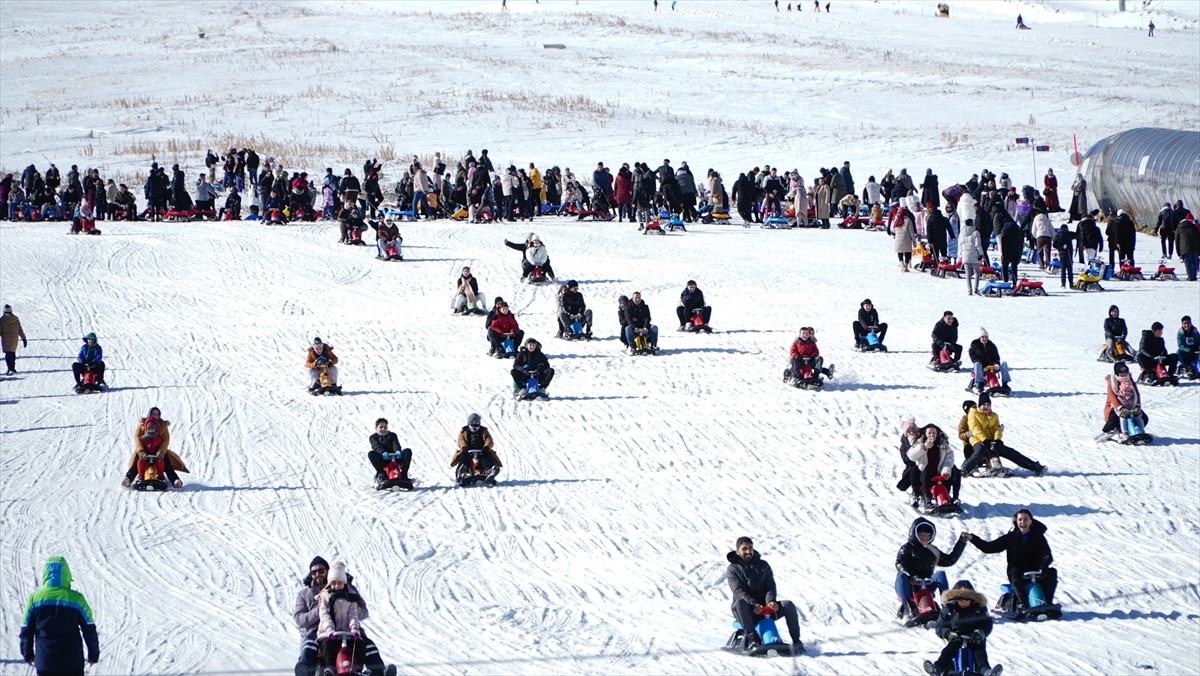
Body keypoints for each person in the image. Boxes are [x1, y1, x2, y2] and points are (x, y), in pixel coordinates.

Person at [294, 557, 387, 675]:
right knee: (310, 643)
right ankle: (306, 669)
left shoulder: (349, 590)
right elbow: (299, 620)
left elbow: (364, 612)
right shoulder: (304, 594)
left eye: (321, 571)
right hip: (319, 629)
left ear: (328, 571)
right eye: (314, 572)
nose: (318, 574)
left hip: (347, 626)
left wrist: (355, 610)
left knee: (366, 643)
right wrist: (320, 608)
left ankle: (378, 671)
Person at [19, 556, 100, 673]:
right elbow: (89, 628)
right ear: (67, 575)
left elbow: (26, 629)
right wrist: (93, 654)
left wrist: (27, 653)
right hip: (72, 662)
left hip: (45, 661)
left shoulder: (34, 599)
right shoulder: (77, 599)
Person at [965, 509, 1057, 611]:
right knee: (1015, 571)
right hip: (1018, 574)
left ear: (1031, 521)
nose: (1023, 522)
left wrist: (1043, 566)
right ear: (1016, 521)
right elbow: (989, 547)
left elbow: (1047, 555)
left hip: (1037, 572)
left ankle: (1048, 603)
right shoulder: (1011, 537)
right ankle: (1023, 604)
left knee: (1052, 572)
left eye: (1026, 519)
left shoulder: (1038, 536)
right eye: (1020, 519)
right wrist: (972, 538)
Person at [725, 536, 804, 654]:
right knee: (740, 603)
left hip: (765, 608)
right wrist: (754, 605)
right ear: (737, 551)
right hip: (746, 610)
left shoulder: (763, 565)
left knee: (788, 605)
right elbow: (738, 591)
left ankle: (797, 641)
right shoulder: (733, 569)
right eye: (744, 549)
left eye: (750, 548)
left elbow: (770, 586)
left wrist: (770, 602)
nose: (748, 551)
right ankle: (753, 640)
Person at [923, 580, 1001, 676]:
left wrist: (980, 633)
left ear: (972, 599)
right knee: (949, 650)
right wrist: (947, 633)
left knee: (979, 651)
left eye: (967, 600)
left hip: (974, 637)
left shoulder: (979, 608)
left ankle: (986, 671)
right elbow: (940, 625)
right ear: (956, 599)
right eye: (961, 600)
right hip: (956, 637)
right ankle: (938, 668)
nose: (964, 602)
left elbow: (987, 623)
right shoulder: (949, 608)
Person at [895, 518, 967, 617]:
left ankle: (947, 605)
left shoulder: (933, 550)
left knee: (940, 574)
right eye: (922, 534)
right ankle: (909, 607)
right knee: (901, 576)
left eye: (928, 535)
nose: (925, 537)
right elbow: (900, 563)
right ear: (915, 533)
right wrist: (911, 576)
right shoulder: (908, 547)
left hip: (927, 582)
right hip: (910, 583)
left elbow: (949, 560)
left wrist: (961, 542)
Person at [961, 393, 1046, 477]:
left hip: (991, 441)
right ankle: (965, 470)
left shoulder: (994, 415)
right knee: (980, 450)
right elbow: (975, 428)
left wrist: (997, 440)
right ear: (979, 405)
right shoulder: (973, 413)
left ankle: (1034, 466)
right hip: (978, 440)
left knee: (1010, 452)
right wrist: (984, 440)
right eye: (983, 405)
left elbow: (997, 429)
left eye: (988, 405)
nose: (986, 407)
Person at [122, 406, 186, 488]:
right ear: (149, 414)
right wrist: (141, 451)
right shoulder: (142, 424)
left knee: (166, 463)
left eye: (157, 414)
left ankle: (175, 480)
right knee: (137, 462)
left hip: (158, 450)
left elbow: (166, 440)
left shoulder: (162, 426)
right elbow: (137, 437)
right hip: (144, 450)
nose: (155, 415)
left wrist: (161, 452)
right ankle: (128, 479)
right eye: (153, 413)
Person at [906, 424, 961, 509]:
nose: (932, 435)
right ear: (925, 433)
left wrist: (945, 472)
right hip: (925, 474)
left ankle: (955, 498)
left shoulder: (943, 444)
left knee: (956, 471)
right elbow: (911, 456)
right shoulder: (919, 442)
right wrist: (924, 447)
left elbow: (949, 459)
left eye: (934, 433)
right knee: (918, 470)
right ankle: (926, 498)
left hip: (941, 472)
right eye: (929, 433)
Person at [1099, 362, 1149, 441]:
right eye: (1121, 372)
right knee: (1114, 419)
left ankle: (1135, 430)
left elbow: (1136, 393)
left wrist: (1137, 406)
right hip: (1114, 406)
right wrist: (1120, 408)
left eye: (1125, 371)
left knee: (1143, 418)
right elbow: (1112, 396)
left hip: (1130, 404)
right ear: (1116, 372)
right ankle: (1109, 431)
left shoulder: (1129, 379)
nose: (1123, 373)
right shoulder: (1111, 381)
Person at [453, 413, 502, 486]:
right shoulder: (464, 431)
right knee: (463, 457)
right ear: (469, 422)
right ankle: (461, 470)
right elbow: (461, 440)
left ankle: (489, 470)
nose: (474, 424)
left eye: (476, 423)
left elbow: (489, 439)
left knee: (486, 458)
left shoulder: (484, 430)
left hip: (481, 450)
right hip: (468, 450)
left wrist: (486, 447)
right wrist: (464, 447)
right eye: (472, 423)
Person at [368, 418, 412, 489]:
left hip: (395, 458)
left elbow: (395, 444)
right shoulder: (373, 437)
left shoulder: (392, 435)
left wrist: (397, 451)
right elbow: (376, 446)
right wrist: (383, 453)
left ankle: (404, 475)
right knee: (371, 454)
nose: (383, 429)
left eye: (385, 427)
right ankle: (382, 475)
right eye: (381, 427)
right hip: (383, 459)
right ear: (376, 428)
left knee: (407, 451)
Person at [967, 328, 1011, 392]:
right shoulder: (975, 345)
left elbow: (996, 356)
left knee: (1004, 363)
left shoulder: (991, 345)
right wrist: (982, 365)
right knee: (976, 364)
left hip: (992, 366)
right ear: (980, 337)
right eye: (983, 337)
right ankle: (980, 384)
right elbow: (973, 357)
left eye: (986, 337)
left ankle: (1005, 384)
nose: (984, 339)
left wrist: (996, 364)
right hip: (982, 366)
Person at [1, 303, 28, 375]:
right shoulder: (16, 319)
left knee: (8, 354)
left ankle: (10, 368)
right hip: (14, 339)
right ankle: (12, 368)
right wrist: (24, 338)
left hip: (6, 339)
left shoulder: (2, 319)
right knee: (12, 353)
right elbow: (20, 330)